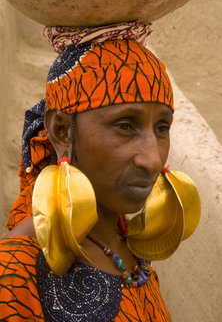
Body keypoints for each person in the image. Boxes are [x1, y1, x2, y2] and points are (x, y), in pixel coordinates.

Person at [0, 21, 200, 321]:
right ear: (62, 130)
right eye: (125, 126)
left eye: (162, 128)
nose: (153, 160)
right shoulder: (15, 271)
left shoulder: (132, 257)